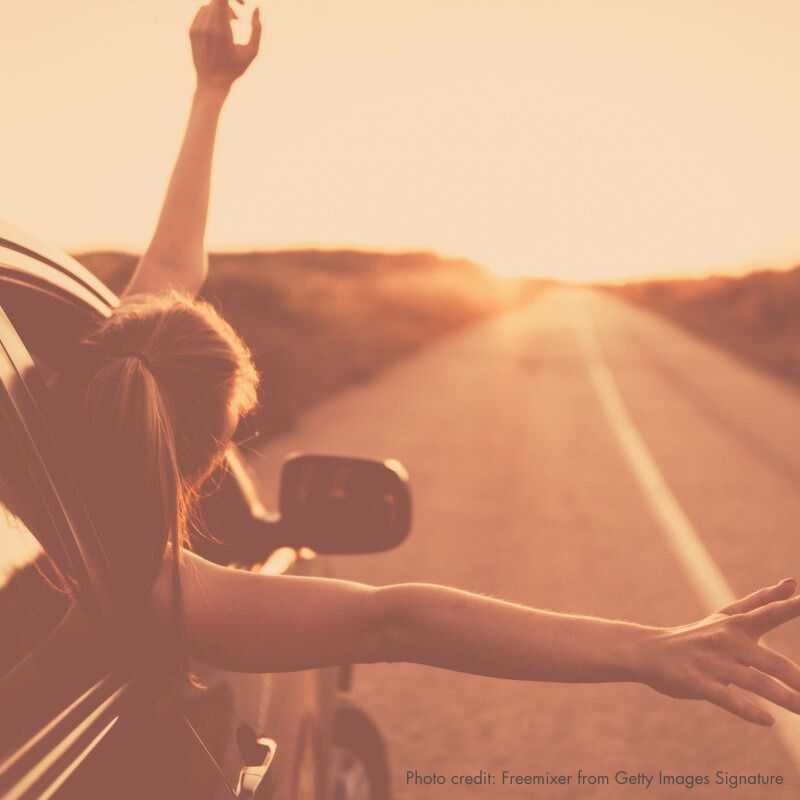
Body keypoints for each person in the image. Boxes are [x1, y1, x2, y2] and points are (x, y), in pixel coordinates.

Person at [53, 0, 800, 729]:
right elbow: (400, 621)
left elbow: (174, 269)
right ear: (197, 459)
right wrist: (646, 648)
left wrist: (210, 88)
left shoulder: (50, 408)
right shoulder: (154, 585)